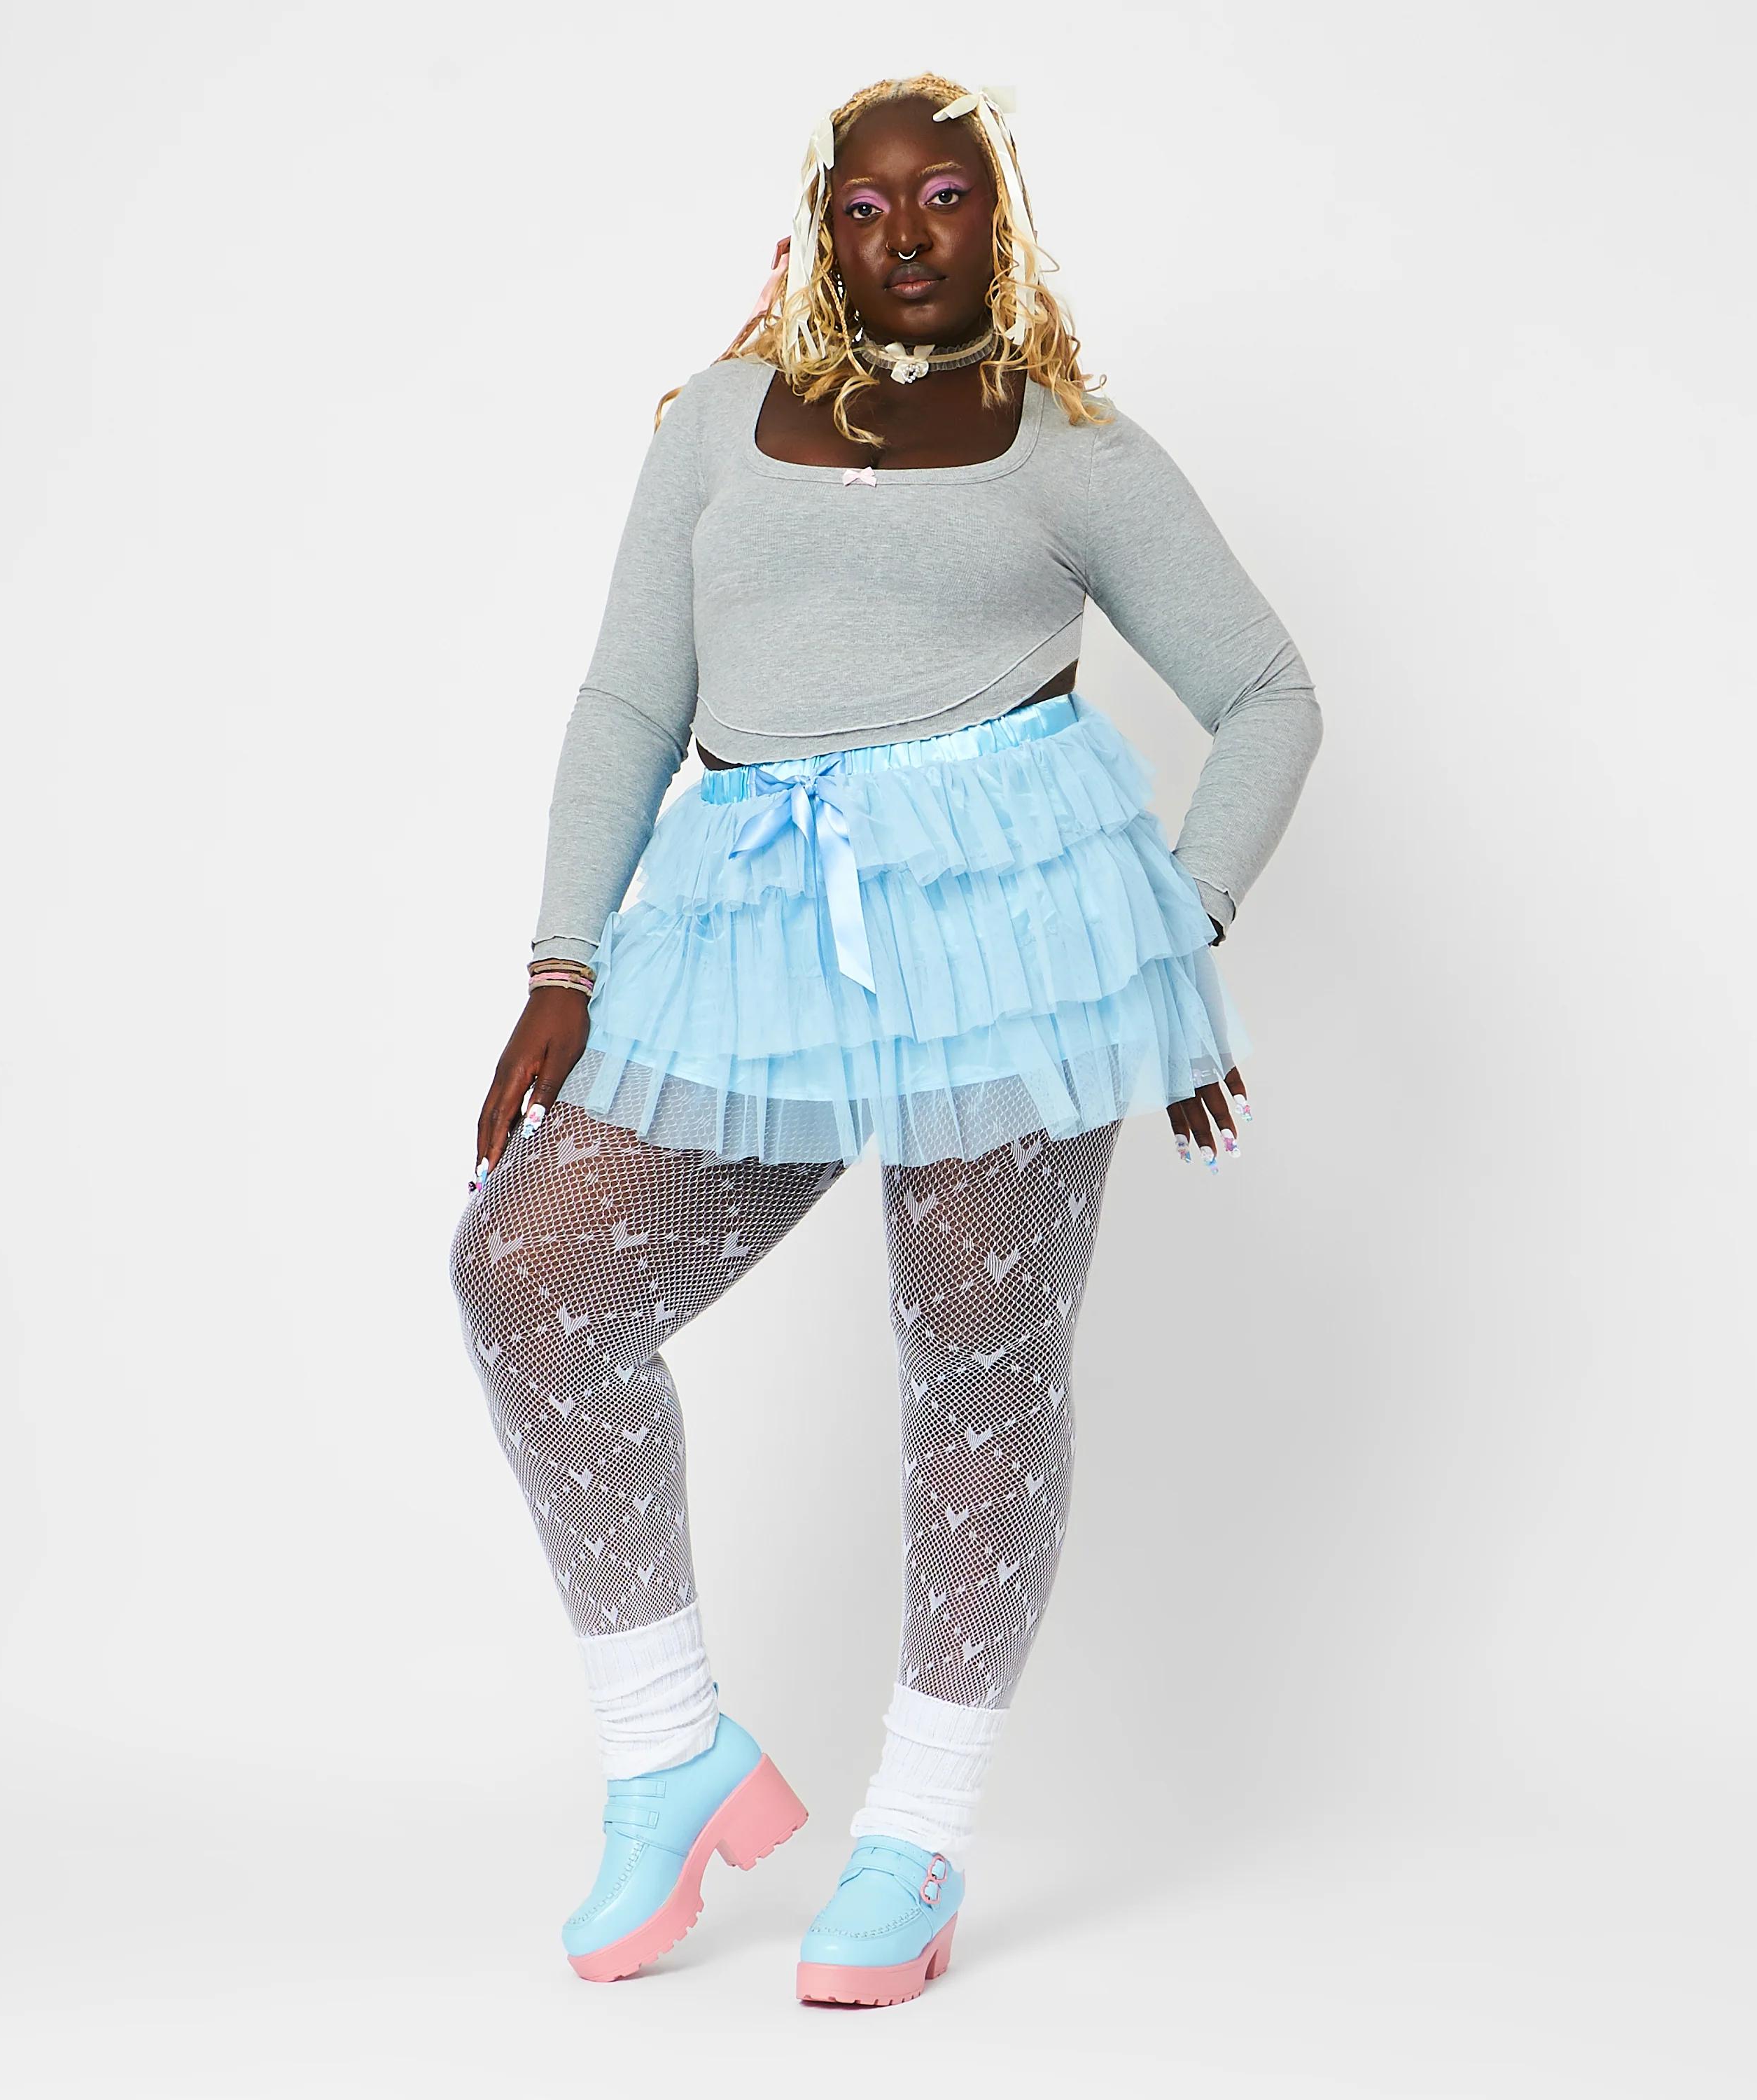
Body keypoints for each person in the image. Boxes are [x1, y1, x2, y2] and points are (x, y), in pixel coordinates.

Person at [449, 72, 1322, 2007]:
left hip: (1012, 942)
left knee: (976, 1377)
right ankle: (668, 1752)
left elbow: (1268, 691)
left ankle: (917, 1830)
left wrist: (1165, 942)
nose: (906, 231)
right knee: (528, 1275)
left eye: (945, 197)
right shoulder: (716, 422)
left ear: (1000, 220)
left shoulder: (1072, 450)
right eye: (866, 205)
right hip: (752, 932)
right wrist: (563, 965)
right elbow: (629, 703)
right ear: (819, 227)